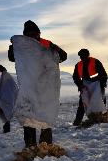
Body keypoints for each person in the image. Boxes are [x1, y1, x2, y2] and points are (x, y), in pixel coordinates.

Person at [8, 20, 67, 148]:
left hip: (45, 87)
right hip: (29, 88)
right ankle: (30, 145)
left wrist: (54, 47)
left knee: (45, 114)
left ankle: (45, 144)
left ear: (39, 33)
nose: (32, 36)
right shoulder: (23, 46)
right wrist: (14, 46)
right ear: (25, 35)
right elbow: (12, 57)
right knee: (28, 115)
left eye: (34, 33)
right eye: (29, 34)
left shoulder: (46, 44)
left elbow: (63, 56)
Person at [72, 48, 108, 126]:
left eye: (83, 56)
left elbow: (103, 74)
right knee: (82, 104)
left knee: (101, 101)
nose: (82, 58)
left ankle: (103, 118)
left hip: (97, 85)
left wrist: (102, 85)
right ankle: (77, 122)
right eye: (81, 56)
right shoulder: (78, 65)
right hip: (85, 86)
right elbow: (75, 77)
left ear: (88, 55)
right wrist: (80, 85)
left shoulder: (95, 62)